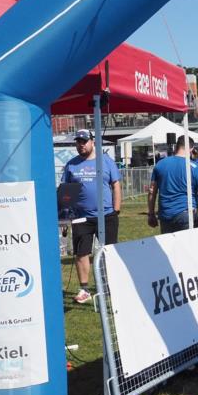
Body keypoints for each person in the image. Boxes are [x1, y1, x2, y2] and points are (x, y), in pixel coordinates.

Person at [60, 129, 122, 304]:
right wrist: (65, 217)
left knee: (109, 252)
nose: (81, 145)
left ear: (92, 142)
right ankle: (84, 289)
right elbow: (65, 192)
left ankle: (111, 285)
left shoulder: (106, 162)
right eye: (78, 142)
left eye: (84, 141)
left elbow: (116, 185)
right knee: (81, 253)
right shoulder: (71, 165)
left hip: (107, 215)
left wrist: (116, 209)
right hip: (81, 218)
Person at [147, 136, 198, 233]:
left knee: (169, 247)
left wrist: (151, 214)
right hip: (186, 215)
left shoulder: (160, 164)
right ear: (191, 149)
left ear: (177, 146)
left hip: (165, 215)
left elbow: (152, 192)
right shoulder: (194, 167)